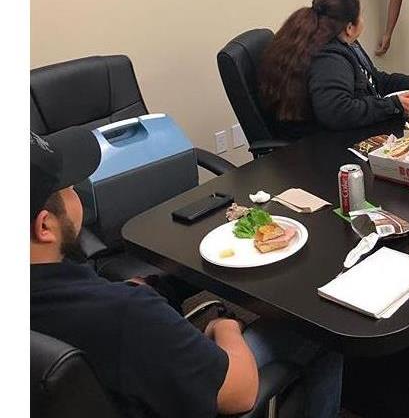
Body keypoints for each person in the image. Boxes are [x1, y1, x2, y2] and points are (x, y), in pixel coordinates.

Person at [30, 127, 343, 418]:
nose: (77, 192)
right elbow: (241, 392)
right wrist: (224, 326)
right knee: (321, 331)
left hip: (118, 377)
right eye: (68, 187)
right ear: (45, 225)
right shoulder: (126, 314)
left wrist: (136, 291)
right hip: (197, 391)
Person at [258, 0, 409, 136]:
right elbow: (337, 111)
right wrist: (394, 105)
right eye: (361, 15)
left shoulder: (344, 42)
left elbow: (373, 80)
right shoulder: (328, 58)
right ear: (350, 27)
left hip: (343, 132)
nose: (363, 20)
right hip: (323, 146)